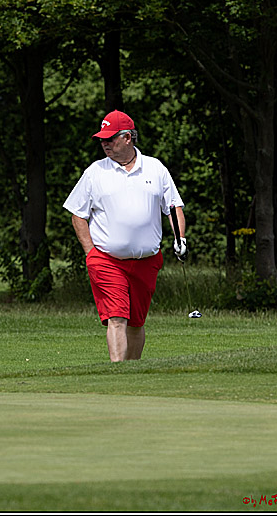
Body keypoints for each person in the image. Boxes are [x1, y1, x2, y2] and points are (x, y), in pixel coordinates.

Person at [63, 109, 187, 363]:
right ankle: (116, 372)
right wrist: (91, 253)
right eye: (102, 139)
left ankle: (131, 372)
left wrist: (180, 238)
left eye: (110, 139)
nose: (104, 144)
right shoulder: (95, 172)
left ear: (128, 138)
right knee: (117, 317)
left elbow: (174, 207)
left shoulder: (155, 169)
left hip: (146, 260)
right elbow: (77, 213)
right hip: (107, 259)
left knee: (136, 322)